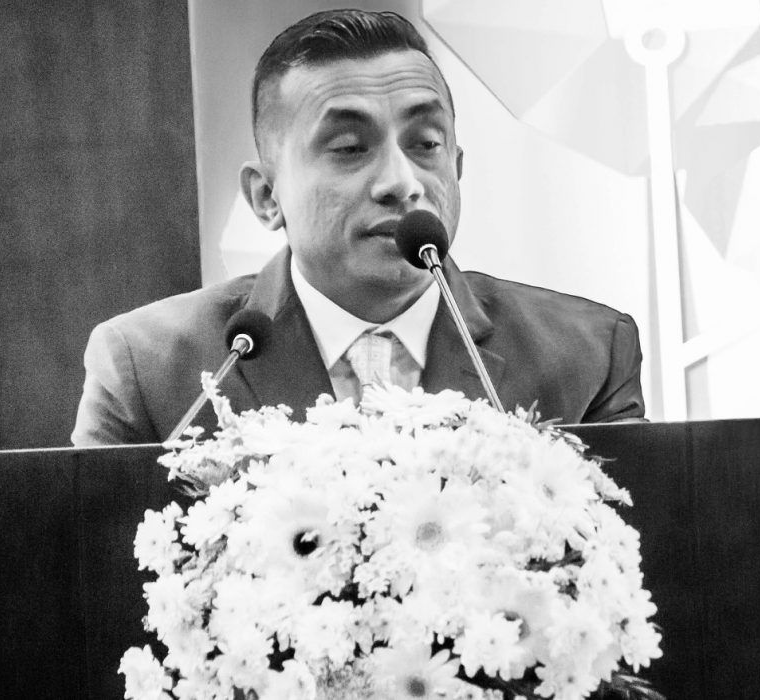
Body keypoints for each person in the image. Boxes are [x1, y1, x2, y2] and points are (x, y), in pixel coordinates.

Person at [71, 9, 644, 446]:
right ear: (267, 197)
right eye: (349, 148)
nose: (402, 182)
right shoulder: (148, 368)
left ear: (457, 169)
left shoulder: (587, 355)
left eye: (426, 144)